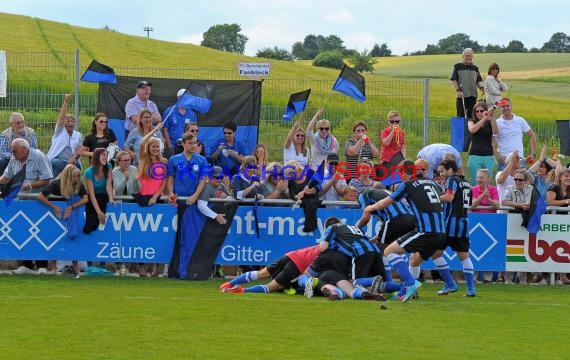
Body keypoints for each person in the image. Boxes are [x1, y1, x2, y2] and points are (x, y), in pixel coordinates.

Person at [363, 159, 446, 302]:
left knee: (389, 251)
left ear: (403, 172)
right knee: (414, 260)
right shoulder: (432, 183)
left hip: (426, 231)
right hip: (441, 231)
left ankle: (411, 284)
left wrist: (370, 208)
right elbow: (442, 191)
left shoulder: (406, 185)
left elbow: (385, 202)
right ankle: (407, 291)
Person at [1, 138, 53, 275]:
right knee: (22, 232)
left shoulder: (39, 157)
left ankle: (42, 265)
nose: (12, 154)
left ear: (24, 150)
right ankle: (27, 265)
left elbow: (47, 179)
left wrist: (30, 185)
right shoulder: (14, 159)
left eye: (14, 151)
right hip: (20, 203)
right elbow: (6, 177)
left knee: (40, 232)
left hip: (37, 202)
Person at [356, 188, 418, 296]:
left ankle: (400, 283)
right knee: (396, 250)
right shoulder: (384, 193)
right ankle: (407, 287)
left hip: (396, 219)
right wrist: (371, 240)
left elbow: (366, 215)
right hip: (412, 219)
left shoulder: (363, 195)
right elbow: (384, 231)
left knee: (380, 251)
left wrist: (355, 229)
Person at [434, 159, 476, 297]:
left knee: (435, 253)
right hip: (463, 223)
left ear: (450, 170)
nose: (441, 174)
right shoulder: (466, 182)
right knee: (464, 257)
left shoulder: (452, 180)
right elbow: (469, 204)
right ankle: (471, 289)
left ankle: (450, 284)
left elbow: (449, 197)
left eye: (442, 171)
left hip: (450, 224)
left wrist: (431, 198)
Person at [37, 164, 88, 278]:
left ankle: (75, 267)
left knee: (73, 238)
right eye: (76, 176)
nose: (79, 178)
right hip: (56, 215)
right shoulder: (56, 183)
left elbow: (86, 198)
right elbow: (40, 196)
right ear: (69, 176)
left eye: (80, 175)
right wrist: (54, 206)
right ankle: (54, 267)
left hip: (71, 215)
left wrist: (72, 207)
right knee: (54, 239)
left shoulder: (78, 184)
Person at [219, 245, 321, 294]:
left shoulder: (321, 244)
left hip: (291, 255)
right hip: (298, 265)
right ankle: (241, 290)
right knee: (271, 287)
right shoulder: (329, 249)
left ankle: (228, 284)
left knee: (260, 273)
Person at [46, 94, 83, 177]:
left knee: (76, 166)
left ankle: (72, 189)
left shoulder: (78, 135)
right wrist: (66, 102)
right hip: (58, 159)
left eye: (72, 121)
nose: (70, 123)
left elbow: (79, 148)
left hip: (72, 160)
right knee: (56, 164)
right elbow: (61, 118)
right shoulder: (59, 131)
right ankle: (54, 185)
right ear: (63, 123)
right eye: (68, 121)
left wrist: (74, 157)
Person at [495, 98, 537, 168]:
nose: (505, 108)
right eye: (503, 106)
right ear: (500, 108)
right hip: (504, 160)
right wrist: (498, 157)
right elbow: (491, 142)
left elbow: (532, 136)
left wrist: (533, 154)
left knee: (520, 179)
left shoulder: (520, 120)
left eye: (507, 106)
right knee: (504, 179)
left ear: (511, 106)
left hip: (519, 159)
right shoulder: (497, 123)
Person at [167, 133, 208, 204]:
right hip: (177, 200)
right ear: (183, 144)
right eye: (190, 143)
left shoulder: (203, 160)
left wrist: (195, 196)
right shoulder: (173, 159)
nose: (193, 146)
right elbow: (170, 180)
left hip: (194, 200)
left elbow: (203, 180)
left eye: (195, 143)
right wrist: (171, 194)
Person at [546, 168, 570, 285]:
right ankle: (548, 277)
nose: (568, 178)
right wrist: (566, 202)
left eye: (569, 176)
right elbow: (549, 202)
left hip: (565, 222)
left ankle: (563, 276)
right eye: (566, 176)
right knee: (551, 248)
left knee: (563, 248)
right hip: (552, 222)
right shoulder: (554, 187)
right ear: (560, 177)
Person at [83, 147, 115, 234]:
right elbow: (91, 194)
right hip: (93, 197)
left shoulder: (109, 166)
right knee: (90, 223)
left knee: (103, 197)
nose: (106, 157)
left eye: (106, 155)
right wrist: (99, 212)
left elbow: (109, 185)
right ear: (97, 157)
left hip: (104, 196)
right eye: (103, 155)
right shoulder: (88, 172)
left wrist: (111, 198)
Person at [137, 122, 168, 206]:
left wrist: (155, 197)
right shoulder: (143, 158)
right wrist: (155, 129)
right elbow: (142, 143)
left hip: (157, 198)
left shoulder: (163, 161)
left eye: (157, 146)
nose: (156, 148)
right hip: (142, 196)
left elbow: (164, 182)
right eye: (153, 146)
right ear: (148, 148)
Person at [467, 102, 498, 184]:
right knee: (475, 181)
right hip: (475, 156)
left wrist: (491, 117)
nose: (479, 113)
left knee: (487, 181)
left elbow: (495, 131)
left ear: (485, 111)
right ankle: (475, 197)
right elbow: (472, 130)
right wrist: (484, 118)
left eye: (482, 111)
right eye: (477, 111)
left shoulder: (489, 122)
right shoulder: (471, 121)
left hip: (488, 155)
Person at [162, 88, 197, 156]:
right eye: (184, 97)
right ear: (178, 98)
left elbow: (195, 131)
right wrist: (169, 146)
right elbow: (165, 129)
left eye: (188, 97)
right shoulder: (169, 111)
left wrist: (193, 145)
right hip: (173, 146)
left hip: (188, 147)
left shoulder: (192, 114)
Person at [450, 48, 484, 119]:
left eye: (470, 56)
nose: (468, 57)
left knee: (472, 116)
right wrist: (458, 90)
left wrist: (481, 88)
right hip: (462, 96)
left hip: (473, 96)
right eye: (467, 56)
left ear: (472, 57)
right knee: (461, 116)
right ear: (463, 56)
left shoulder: (475, 68)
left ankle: (470, 130)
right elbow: (454, 79)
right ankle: (461, 130)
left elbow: (478, 80)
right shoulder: (457, 66)